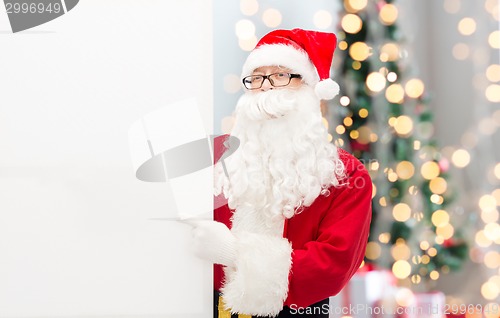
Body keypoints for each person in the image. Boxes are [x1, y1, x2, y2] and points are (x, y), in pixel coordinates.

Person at [188, 28, 372, 318]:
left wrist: (234, 253)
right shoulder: (215, 159)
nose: (267, 88)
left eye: (281, 75)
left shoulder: (345, 174)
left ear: (309, 89)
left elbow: (332, 267)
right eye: (257, 77)